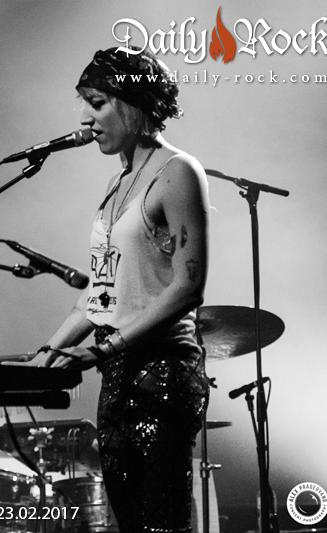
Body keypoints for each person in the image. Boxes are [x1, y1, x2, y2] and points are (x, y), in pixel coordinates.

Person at [24, 47, 211, 532]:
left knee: (160, 523)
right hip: (117, 373)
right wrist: (46, 353)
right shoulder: (116, 183)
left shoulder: (178, 172)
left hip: (162, 375)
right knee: (128, 521)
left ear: (133, 103)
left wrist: (99, 351)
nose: (85, 118)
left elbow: (188, 287)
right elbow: (100, 295)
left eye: (98, 103)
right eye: (84, 104)